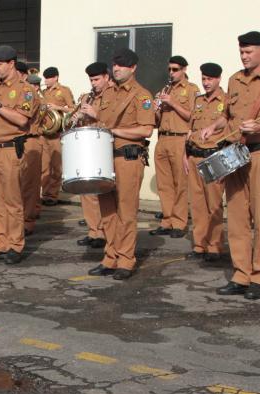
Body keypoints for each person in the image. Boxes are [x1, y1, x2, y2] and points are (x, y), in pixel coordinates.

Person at [199, 31, 260, 300]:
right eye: (241, 52)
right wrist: (213, 126)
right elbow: (228, 117)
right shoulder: (234, 80)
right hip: (236, 156)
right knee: (238, 219)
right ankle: (241, 274)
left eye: (249, 51)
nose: (244, 56)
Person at [81, 48, 155, 280]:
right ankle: (110, 256)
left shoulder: (142, 96)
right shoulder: (108, 95)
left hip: (128, 157)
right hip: (105, 157)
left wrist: (114, 130)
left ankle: (126, 259)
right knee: (107, 211)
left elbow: (146, 130)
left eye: (122, 65)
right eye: (115, 64)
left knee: (126, 211)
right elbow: (103, 122)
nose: (117, 68)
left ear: (133, 68)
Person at [0, 45, 39, 264]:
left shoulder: (25, 89)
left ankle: (15, 245)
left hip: (10, 149)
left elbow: (22, 120)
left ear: (11, 64)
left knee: (12, 201)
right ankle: (1, 243)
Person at [152, 56, 200, 238]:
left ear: (184, 69)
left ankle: (179, 223)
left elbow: (193, 116)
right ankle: (167, 220)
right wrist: (156, 110)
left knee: (180, 183)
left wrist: (172, 103)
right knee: (164, 185)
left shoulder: (191, 90)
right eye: (170, 70)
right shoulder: (165, 89)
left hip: (180, 139)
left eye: (176, 69)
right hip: (163, 138)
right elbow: (156, 121)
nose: (172, 73)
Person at [185, 62, 227, 262]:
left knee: (214, 204)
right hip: (194, 156)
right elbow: (190, 129)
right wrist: (186, 155)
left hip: (213, 157)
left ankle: (214, 245)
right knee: (197, 204)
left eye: (210, 79)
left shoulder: (226, 101)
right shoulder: (198, 101)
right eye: (203, 79)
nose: (206, 83)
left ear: (218, 79)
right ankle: (200, 244)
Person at [73, 63, 109, 250]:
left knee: (101, 192)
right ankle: (93, 230)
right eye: (91, 80)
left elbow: (113, 121)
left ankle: (104, 231)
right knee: (86, 191)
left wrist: (96, 114)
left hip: (103, 146)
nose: (94, 84)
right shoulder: (87, 97)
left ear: (106, 78)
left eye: (97, 79)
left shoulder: (112, 96)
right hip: (87, 146)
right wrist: (77, 117)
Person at [40, 66, 74, 206]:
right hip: (44, 133)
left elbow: (72, 108)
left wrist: (58, 107)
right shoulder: (42, 92)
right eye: (45, 78)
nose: (46, 81)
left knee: (56, 166)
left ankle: (52, 195)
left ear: (55, 78)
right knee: (44, 167)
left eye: (48, 78)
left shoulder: (64, 91)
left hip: (56, 133)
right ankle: (45, 193)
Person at [21, 73, 44, 235]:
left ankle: (28, 221)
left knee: (29, 184)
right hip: (20, 141)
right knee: (19, 184)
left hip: (31, 140)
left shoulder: (34, 98)